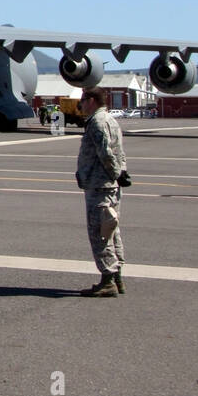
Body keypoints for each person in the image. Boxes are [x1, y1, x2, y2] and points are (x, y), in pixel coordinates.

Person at [75, 88, 127, 297]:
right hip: (108, 185)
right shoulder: (111, 120)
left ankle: (108, 280)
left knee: (100, 234)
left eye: (83, 100)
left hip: (100, 186)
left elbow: (105, 152)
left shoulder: (97, 122)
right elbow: (119, 151)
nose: (81, 104)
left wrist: (114, 172)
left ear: (93, 100)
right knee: (112, 231)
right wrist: (121, 172)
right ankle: (117, 277)